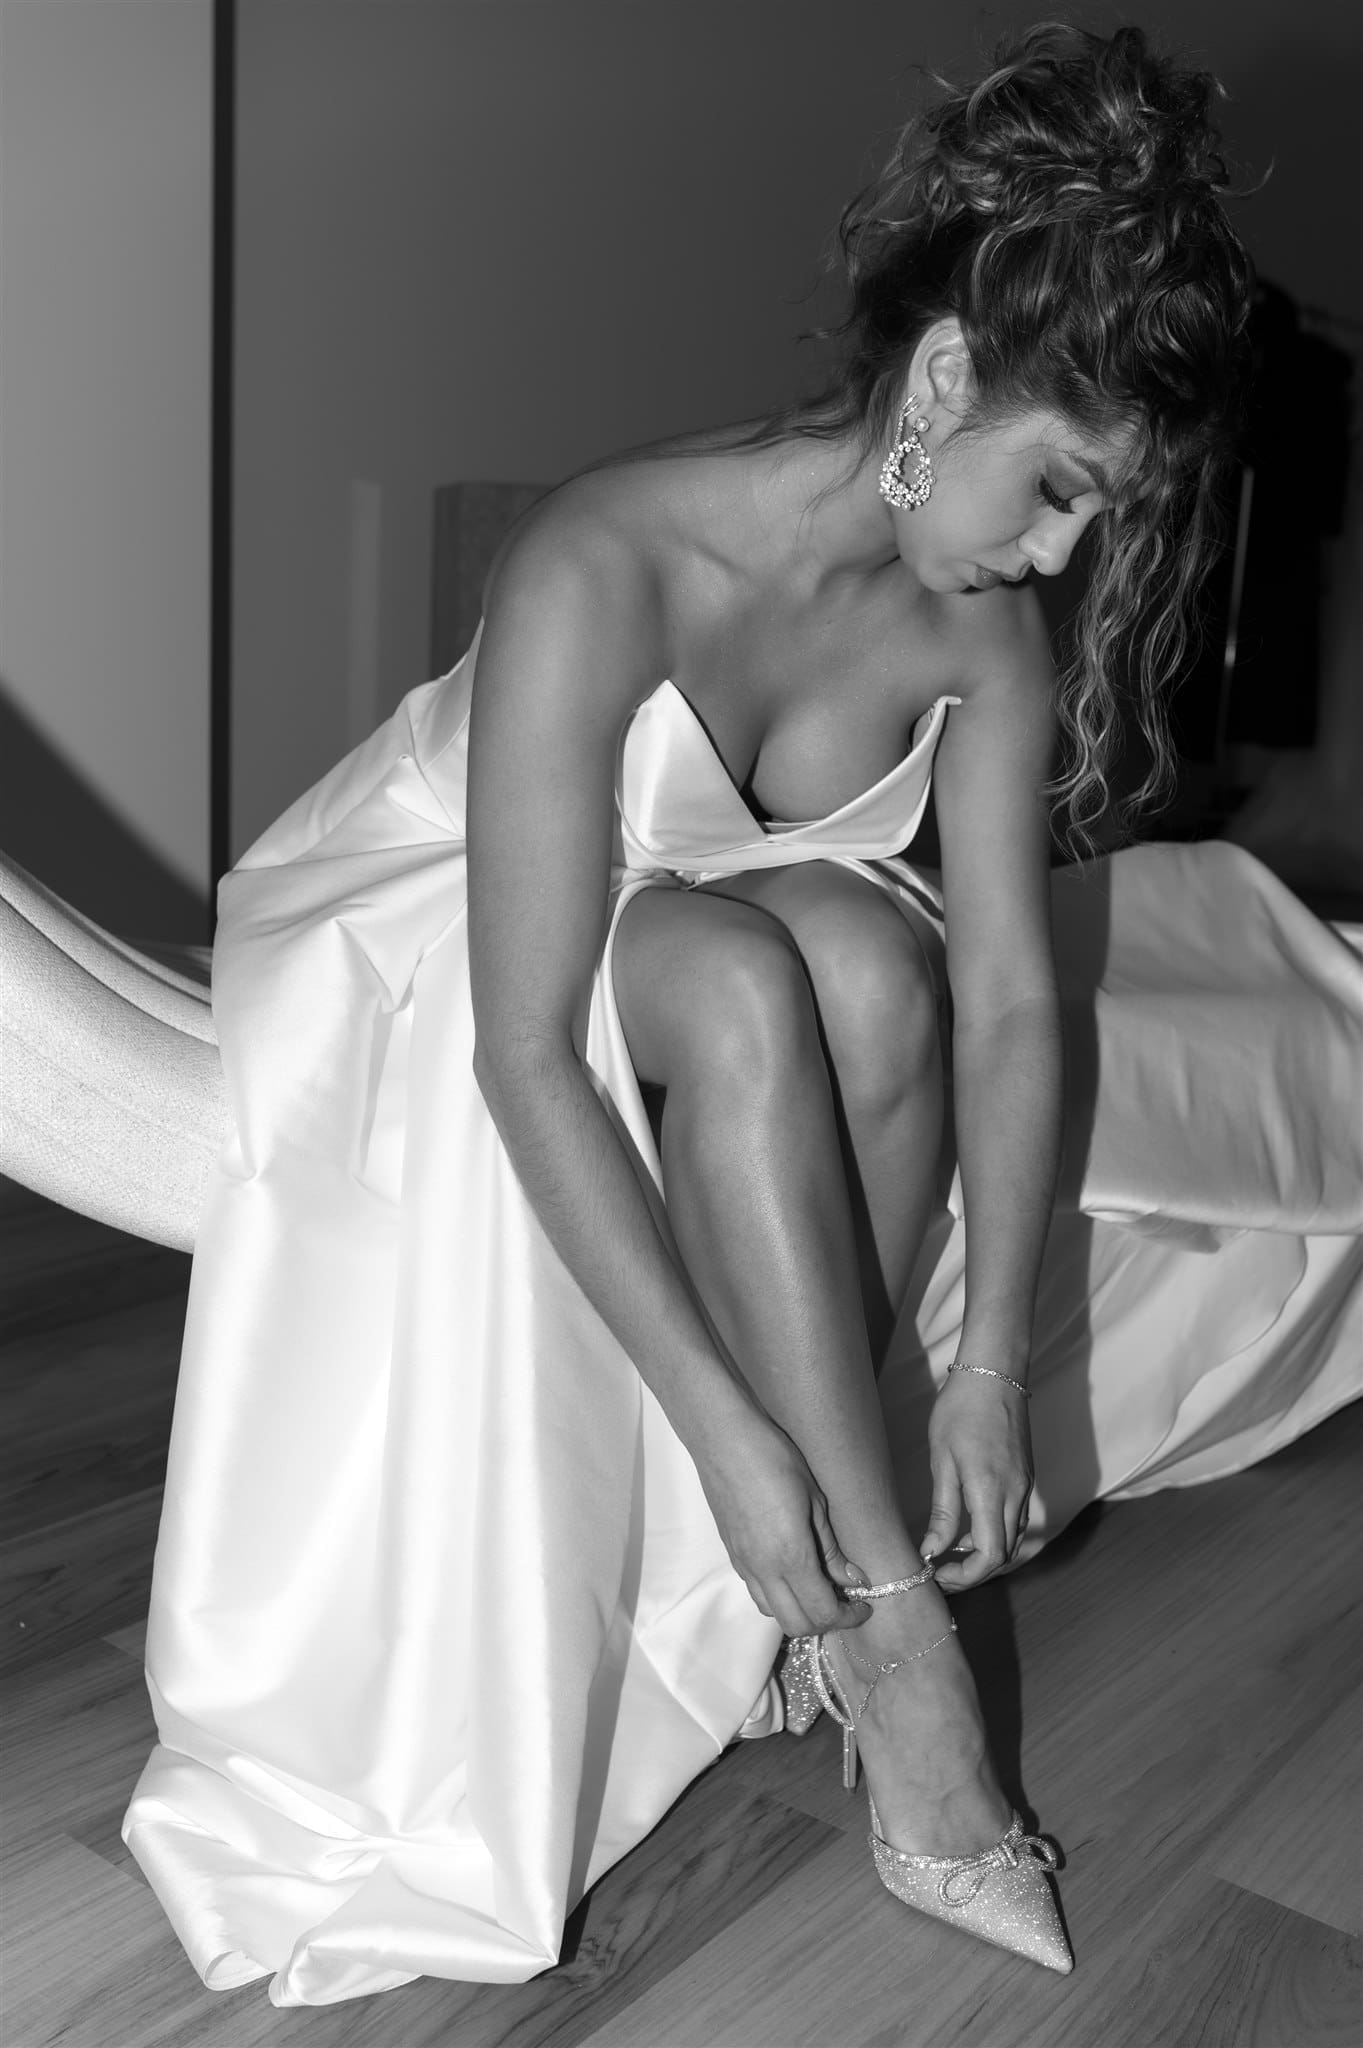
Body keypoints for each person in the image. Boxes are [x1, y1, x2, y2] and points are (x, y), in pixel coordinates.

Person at [37, 17, 1338, 2007]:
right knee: (740, 982)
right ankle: (894, 1649)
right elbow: (525, 1047)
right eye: (1059, 488)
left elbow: (1004, 1004)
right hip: (436, 926)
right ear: (939, 384)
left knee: (882, 961)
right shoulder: (608, 557)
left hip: (722, 921)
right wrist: (725, 1436)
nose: (1061, 556)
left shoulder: (977, 629)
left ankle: (853, 1520)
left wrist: (987, 1361)